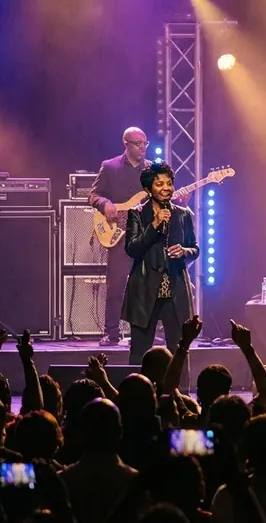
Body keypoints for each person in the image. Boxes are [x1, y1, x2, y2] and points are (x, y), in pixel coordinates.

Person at [121, 162, 199, 364]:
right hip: (145, 289)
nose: (166, 188)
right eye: (159, 184)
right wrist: (154, 225)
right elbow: (132, 249)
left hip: (175, 289)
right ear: (148, 189)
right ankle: (138, 391)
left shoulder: (183, 215)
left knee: (180, 348)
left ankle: (179, 393)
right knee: (140, 350)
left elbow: (195, 249)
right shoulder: (137, 213)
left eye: (169, 183)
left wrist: (184, 251)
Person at [89, 127, 152, 346]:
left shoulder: (151, 170)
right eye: (138, 143)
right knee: (116, 286)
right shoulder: (110, 167)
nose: (143, 147)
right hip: (119, 234)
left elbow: (162, 197)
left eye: (145, 143)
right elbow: (93, 195)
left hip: (143, 235)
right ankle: (111, 332)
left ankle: (142, 331)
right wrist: (104, 204)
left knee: (145, 285)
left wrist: (181, 198)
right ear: (126, 144)